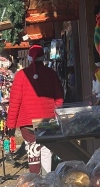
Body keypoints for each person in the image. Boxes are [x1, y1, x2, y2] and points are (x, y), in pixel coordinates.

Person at [6, 45, 64, 175]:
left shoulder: (21, 75)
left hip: (27, 121)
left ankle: (35, 180)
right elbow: (59, 97)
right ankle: (48, 179)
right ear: (43, 57)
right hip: (48, 119)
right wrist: (56, 113)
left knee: (32, 148)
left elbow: (15, 101)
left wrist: (10, 124)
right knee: (47, 149)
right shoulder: (51, 74)